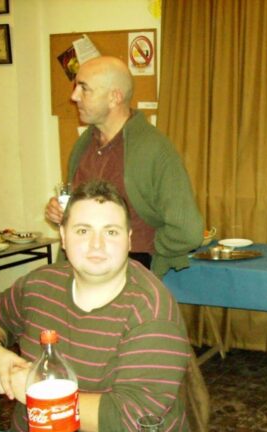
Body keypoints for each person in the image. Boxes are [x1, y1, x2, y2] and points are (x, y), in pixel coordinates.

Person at [0, 180, 191, 432]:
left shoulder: (151, 310)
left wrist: (39, 393)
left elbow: (135, 415)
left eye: (111, 232)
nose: (97, 245)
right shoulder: (39, 284)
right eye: (83, 230)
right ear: (63, 236)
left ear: (129, 240)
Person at [45, 55, 203, 277]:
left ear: (114, 97)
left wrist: (150, 249)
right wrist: (63, 213)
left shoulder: (155, 150)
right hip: (79, 273)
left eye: (84, 88)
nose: (74, 96)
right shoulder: (84, 144)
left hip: (128, 278)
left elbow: (188, 231)